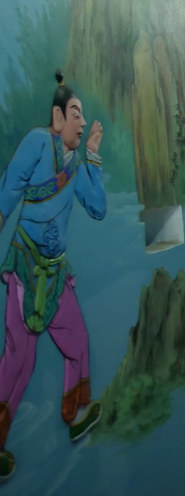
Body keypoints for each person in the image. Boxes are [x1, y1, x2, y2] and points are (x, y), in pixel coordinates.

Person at [0, 72, 106, 480]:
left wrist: (92, 156)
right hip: (26, 266)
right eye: (75, 114)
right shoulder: (37, 143)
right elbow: (10, 189)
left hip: (57, 271)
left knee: (77, 342)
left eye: (83, 116)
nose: (82, 122)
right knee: (20, 359)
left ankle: (75, 415)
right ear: (58, 117)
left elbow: (97, 207)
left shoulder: (76, 164)